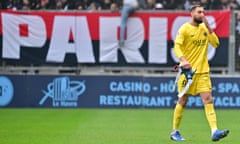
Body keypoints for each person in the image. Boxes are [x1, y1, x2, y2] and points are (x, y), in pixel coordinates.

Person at [170, 4, 229, 142]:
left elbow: (216, 43)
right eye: (199, 12)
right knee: (182, 101)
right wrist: (183, 60)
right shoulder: (184, 28)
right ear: (192, 13)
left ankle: (214, 131)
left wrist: (209, 27)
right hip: (187, 72)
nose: (202, 14)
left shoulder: (204, 28)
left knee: (208, 99)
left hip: (202, 71)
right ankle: (175, 131)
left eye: (203, 12)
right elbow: (177, 47)